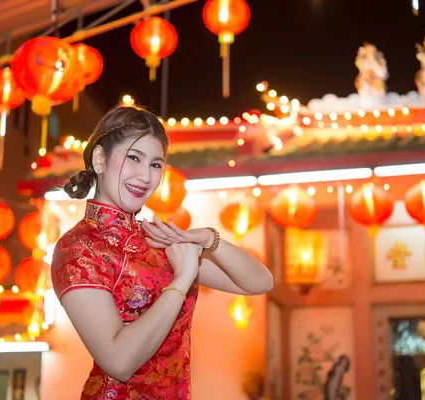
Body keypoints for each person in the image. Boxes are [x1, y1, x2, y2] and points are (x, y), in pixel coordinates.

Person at [51, 105, 274, 400]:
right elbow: (119, 362)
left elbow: (260, 282)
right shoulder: (79, 247)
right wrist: (181, 280)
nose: (145, 176)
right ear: (100, 159)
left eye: (156, 164)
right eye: (134, 158)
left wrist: (209, 238)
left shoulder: (156, 240)